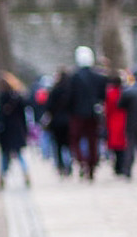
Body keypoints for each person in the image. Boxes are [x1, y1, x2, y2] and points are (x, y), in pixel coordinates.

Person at [68, 45, 107, 179]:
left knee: (76, 139)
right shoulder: (98, 77)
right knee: (93, 140)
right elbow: (103, 96)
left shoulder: (74, 77)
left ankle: (83, 161)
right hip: (92, 114)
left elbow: (70, 97)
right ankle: (91, 164)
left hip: (78, 114)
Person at [0, 72, 31, 188]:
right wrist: (25, 130)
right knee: (19, 154)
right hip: (17, 129)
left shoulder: (2, 97)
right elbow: (24, 115)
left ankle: (3, 177)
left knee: (5, 155)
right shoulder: (18, 96)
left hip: (6, 131)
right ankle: (26, 173)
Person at [45, 68, 73, 176]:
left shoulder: (54, 90)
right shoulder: (70, 90)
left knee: (58, 146)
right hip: (68, 121)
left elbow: (48, 107)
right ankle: (69, 164)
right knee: (68, 145)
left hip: (56, 122)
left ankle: (61, 165)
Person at [103, 75, 128, 177]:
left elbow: (107, 109)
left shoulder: (110, 94)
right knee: (122, 145)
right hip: (123, 120)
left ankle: (118, 166)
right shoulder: (124, 93)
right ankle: (121, 165)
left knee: (115, 146)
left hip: (113, 121)